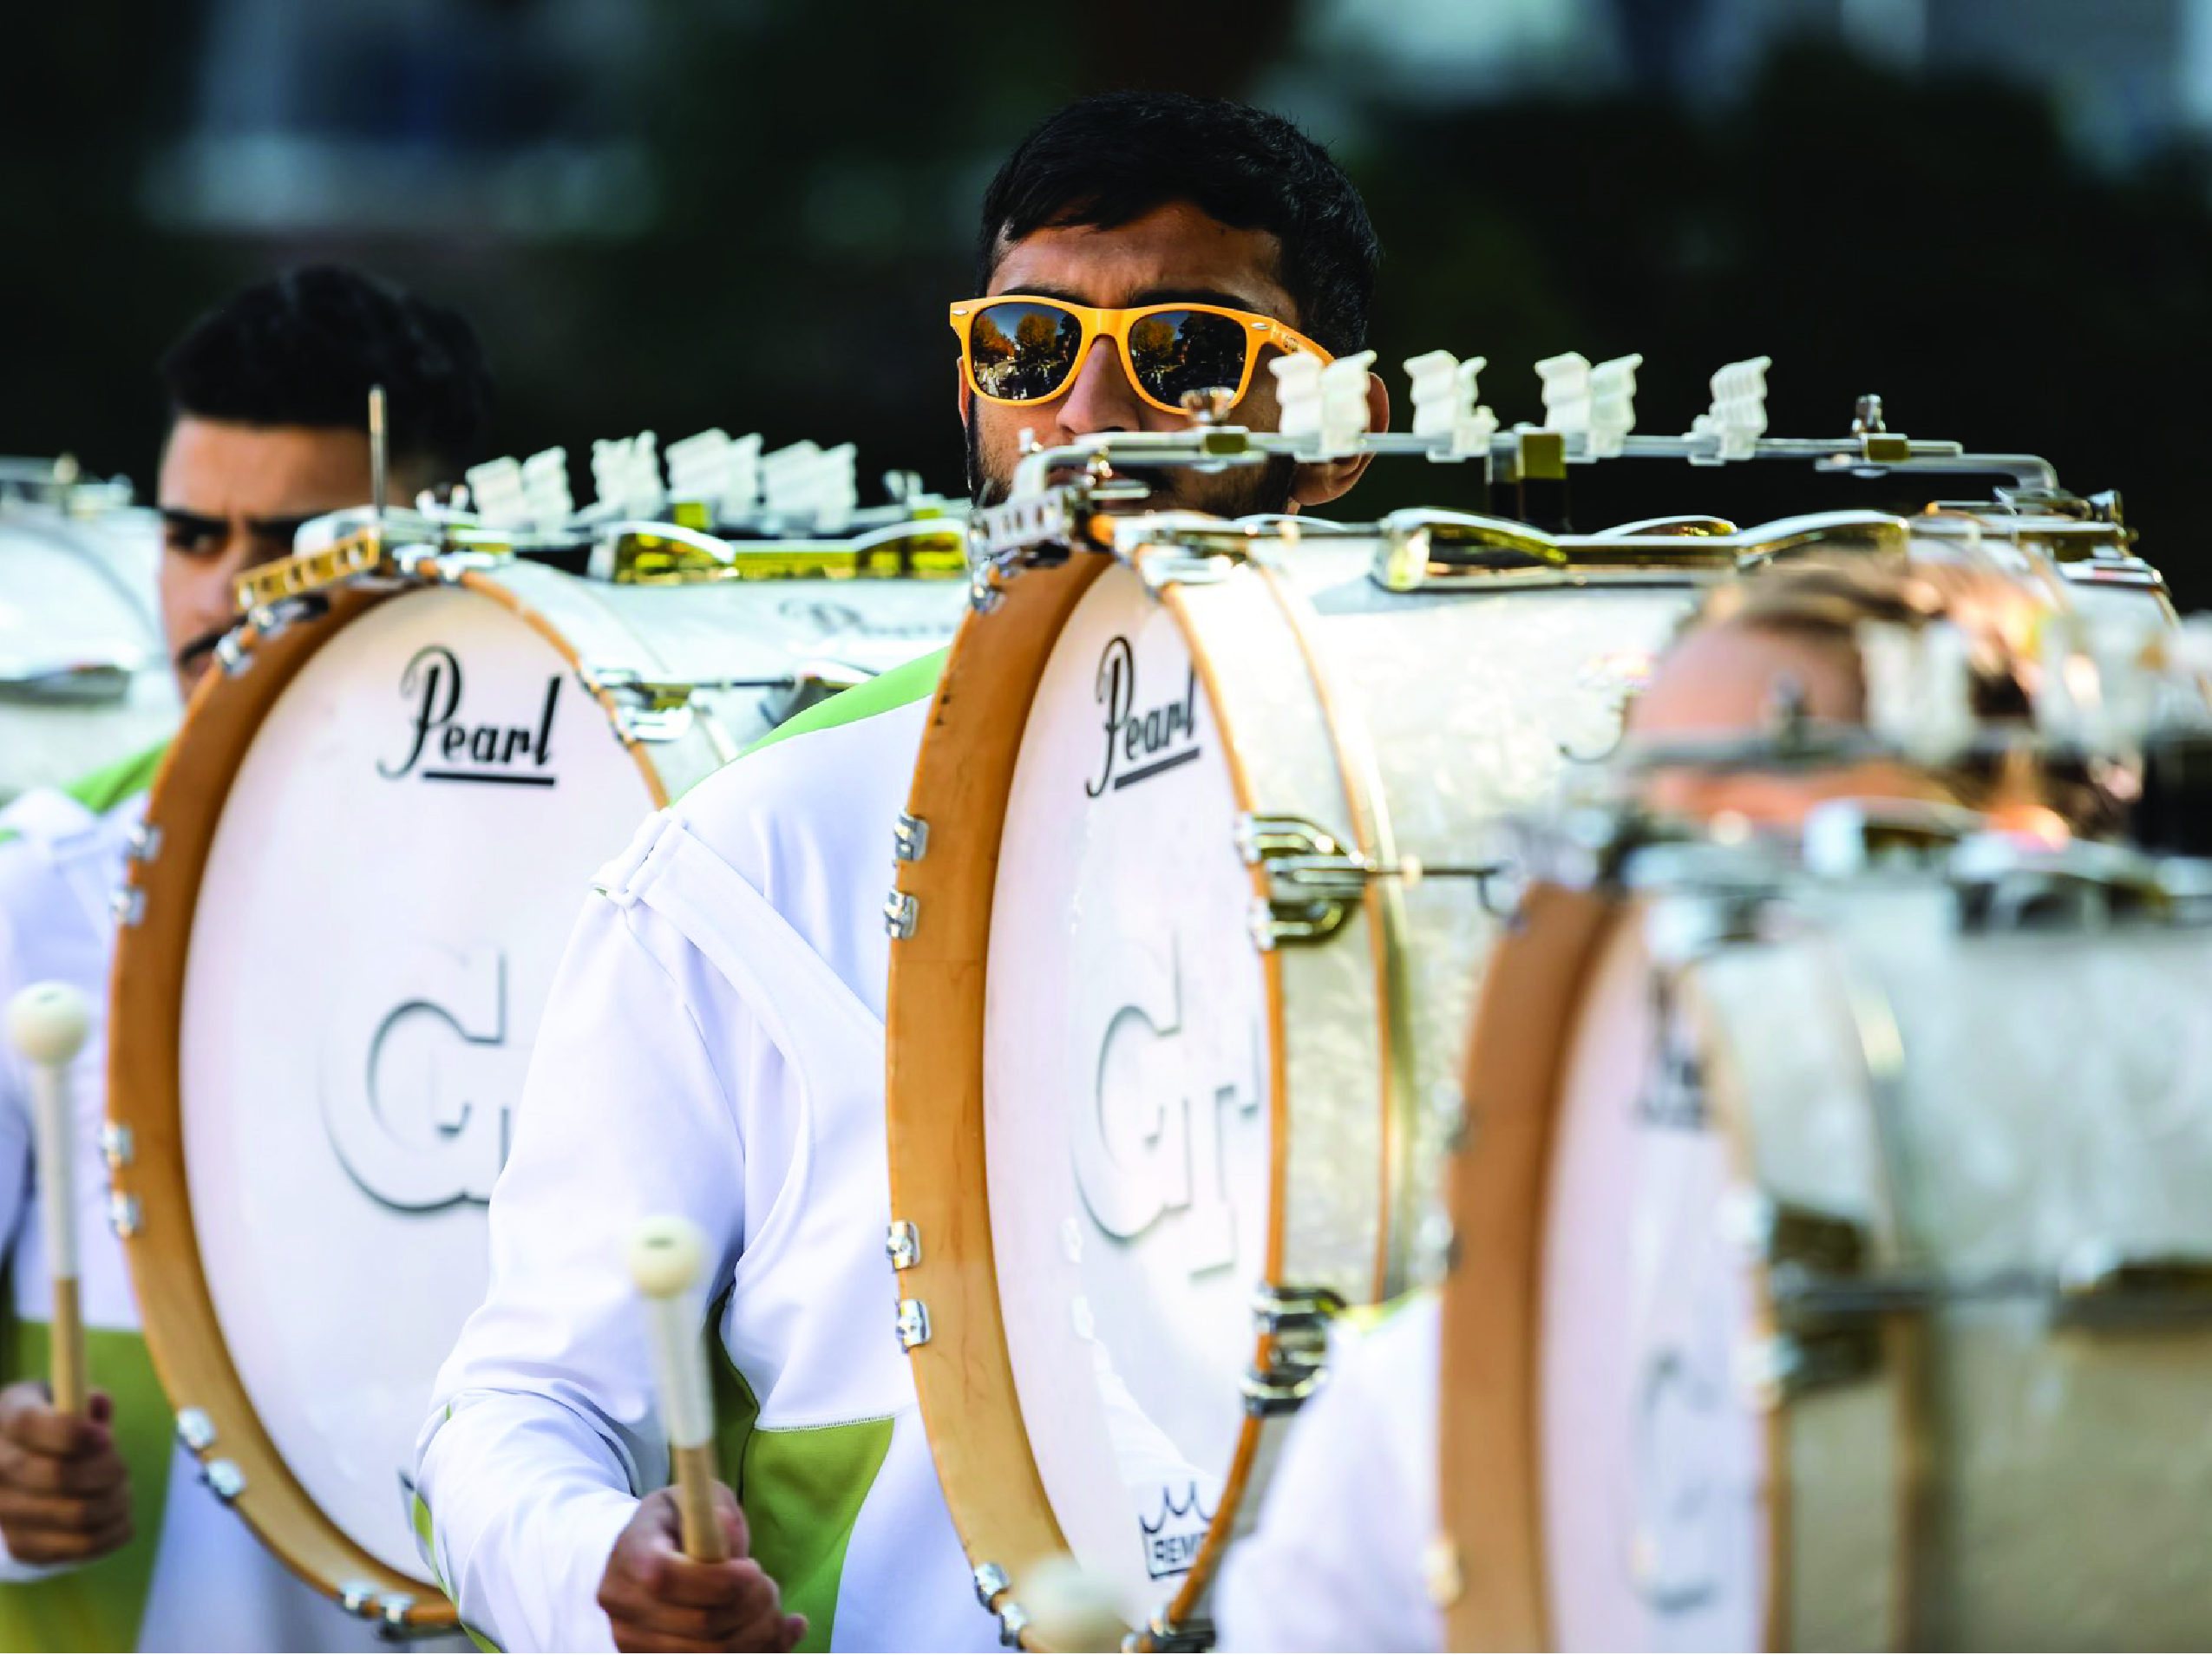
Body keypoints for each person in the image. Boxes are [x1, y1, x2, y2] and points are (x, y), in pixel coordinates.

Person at [413, 89, 1386, 1653]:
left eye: (1187, 354)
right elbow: (511, 1406)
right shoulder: (756, 850)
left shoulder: (1469, 807)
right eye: (1030, 347)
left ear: (1342, 430)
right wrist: (600, 1562)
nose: (1086, 415)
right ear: (972, 387)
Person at [1211, 554, 2083, 1653]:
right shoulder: (1436, 1397)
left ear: (2034, 871)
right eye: (1637, 832)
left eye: (1752, 830)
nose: (1654, 912)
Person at [0, 265, 493, 1652]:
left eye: (291, 544)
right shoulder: (41, 888)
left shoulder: (593, 868)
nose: (223, 596)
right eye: (188, 535)